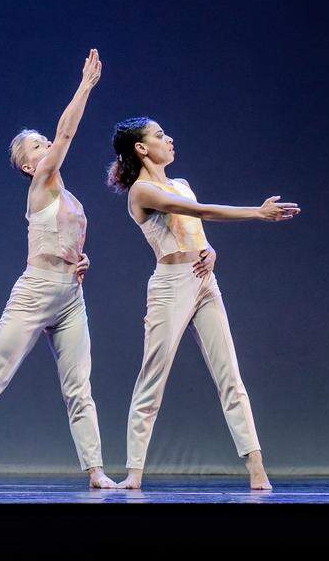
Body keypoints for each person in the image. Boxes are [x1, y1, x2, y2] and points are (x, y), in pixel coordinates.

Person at [0, 50, 115, 489]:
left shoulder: (67, 195)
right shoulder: (41, 184)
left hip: (70, 296)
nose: (47, 147)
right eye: (38, 146)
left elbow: (67, 240)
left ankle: (95, 471)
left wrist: (81, 259)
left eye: (43, 141)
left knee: (79, 388)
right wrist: (86, 87)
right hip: (35, 292)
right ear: (28, 165)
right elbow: (67, 131)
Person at [107, 116, 300, 490]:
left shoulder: (180, 183)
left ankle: (257, 468)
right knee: (153, 377)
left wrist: (209, 249)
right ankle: (134, 473)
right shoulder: (141, 191)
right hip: (170, 285)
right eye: (160, 135)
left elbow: (197, 231)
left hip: (203, 281)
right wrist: (257, 213)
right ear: (142, 148)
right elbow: (198, 212)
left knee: (229, 374)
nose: (170, 138)